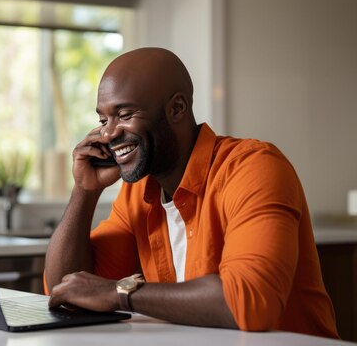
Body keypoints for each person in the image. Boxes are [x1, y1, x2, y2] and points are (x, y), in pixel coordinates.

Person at [44, 47, 339, 339]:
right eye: (103, 120)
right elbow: (66, 292)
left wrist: (118, 292)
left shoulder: (253, 168)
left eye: (124, 114)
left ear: (177, 109)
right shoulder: (138, 193)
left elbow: (250, 302)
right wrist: (84, 191)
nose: (108, 134)